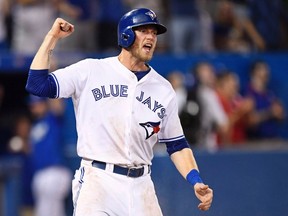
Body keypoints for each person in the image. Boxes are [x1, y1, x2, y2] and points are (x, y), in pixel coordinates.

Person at [25, 8, 213, 215]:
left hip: (142, 185)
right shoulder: (91, 70)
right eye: (144, 30)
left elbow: (177, 144)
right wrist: (52, 37)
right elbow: (37, 84)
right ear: (126, 35)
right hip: (98, 180)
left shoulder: (163, 88)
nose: (151, 37)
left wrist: (195, 180)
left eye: (154, 33)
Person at [28, 95, 72, 216]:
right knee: (53, 211)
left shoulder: (52, 118)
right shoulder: (35, 125)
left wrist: (48, 85)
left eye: (37, 103)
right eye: (32, 104)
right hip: (40, 174)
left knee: (47, 211)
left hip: (55, 171)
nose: (34, 107)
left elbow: (57, 104)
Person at [244, 60, 285, 140]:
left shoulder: (270, 93)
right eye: (263, 70)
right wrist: (270, 113)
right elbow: (250, 120)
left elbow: (281, 118)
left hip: (272, 138)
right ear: (254, 72)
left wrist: (279, 113)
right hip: (255, 141)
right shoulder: (247, 92)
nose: (266, 73)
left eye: (267, 70)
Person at [215, 71, 254, 146]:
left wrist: (249, 111)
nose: (235, 87)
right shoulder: (216, 100)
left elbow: (250, 123)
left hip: (240, 145)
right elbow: (223, 127)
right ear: (222, 84)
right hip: (222, 148)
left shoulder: (237, 99)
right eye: (232, 84)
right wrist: (240, 111)